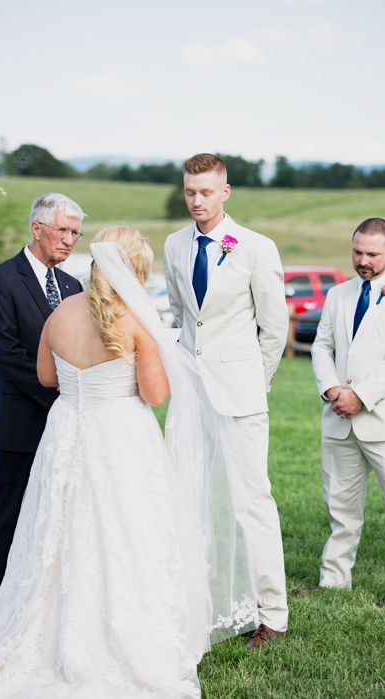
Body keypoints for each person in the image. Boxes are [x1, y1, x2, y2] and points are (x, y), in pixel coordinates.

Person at [0, 227, 257, 698]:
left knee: (59, 533)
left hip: (66, 434)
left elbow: (46, 376)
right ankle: (124, 638)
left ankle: (45, 633)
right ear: (134, 270)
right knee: (125, 531)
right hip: (120, 436)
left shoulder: (59, 313)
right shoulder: (134, 322)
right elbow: (155, 393)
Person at [163, 153, 290, 649]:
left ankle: (272, 615)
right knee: (189, 494)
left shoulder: (257, 248)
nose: (197, 201)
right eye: (190, 192)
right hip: (190, 390)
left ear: (226, 191)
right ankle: (202, 601)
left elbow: (274, 327)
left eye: (206, 192)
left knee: (250, 501)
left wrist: (255, 384)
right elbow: (180, 312)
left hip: (240, 393)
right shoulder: (175, 245)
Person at [308, 218, 385, 606]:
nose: (363, 260)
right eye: (358, 251)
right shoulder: (338, 294)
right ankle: (333, 581)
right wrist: (331, 389)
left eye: (372, 254)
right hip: (339, 419)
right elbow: (321, 347)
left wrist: (358, 395)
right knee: (340, 508)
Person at [0, 192, 85, 620]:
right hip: (20, 426)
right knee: (5, 521)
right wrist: (60, 396)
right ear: (37, 228)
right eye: (63, 230)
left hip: (69, 426)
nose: (70, 240)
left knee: (54, 521)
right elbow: (7, 353)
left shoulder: (75, 287)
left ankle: (35, 610)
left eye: (76, 233)